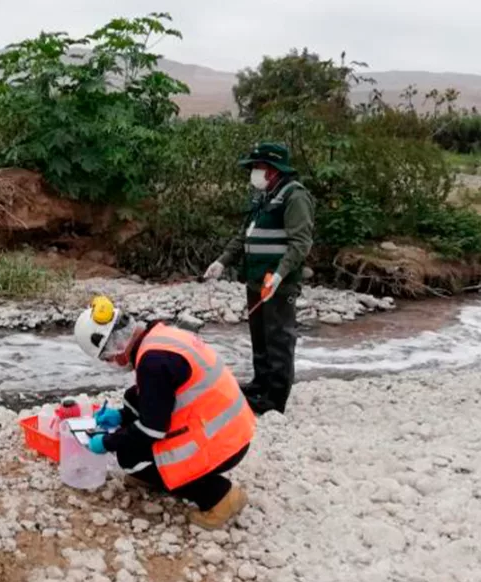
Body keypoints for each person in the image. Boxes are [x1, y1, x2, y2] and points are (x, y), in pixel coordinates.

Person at [73, 296, 255, 529]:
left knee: (129, 457)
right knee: (133, 398)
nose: (112, 363)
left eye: (107, 359)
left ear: (114, 349)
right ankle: (157, 474)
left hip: (222, 444)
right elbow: (155, 398)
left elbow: (151, 430)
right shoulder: (159, 337)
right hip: (230, 428)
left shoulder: (153, 363)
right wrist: (121, 416)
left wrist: (107, 442)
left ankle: (220, 496)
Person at [203, 142, 315, 416]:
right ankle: (259, 385)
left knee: (279, 338)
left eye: (257, 167)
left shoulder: (294, 196)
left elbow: (301, 243)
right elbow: (244, 236)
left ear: (273, 169)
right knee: (260, 336)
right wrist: (222, 261)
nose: (253, 172)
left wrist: (279, 274)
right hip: (255, 280)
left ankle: (275, 398)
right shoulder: (262, 197)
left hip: (279, 282)